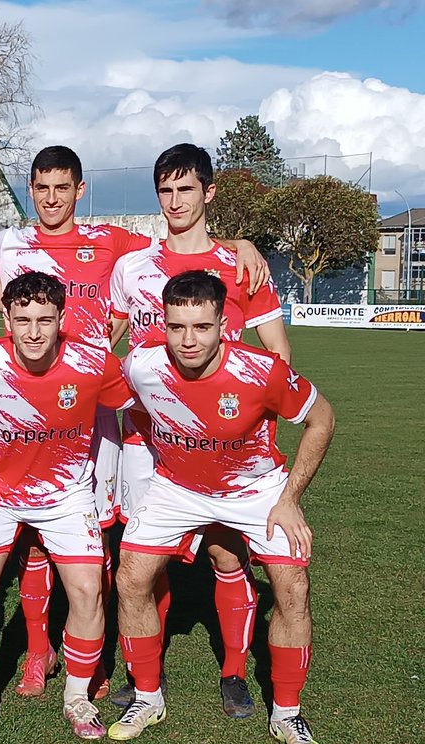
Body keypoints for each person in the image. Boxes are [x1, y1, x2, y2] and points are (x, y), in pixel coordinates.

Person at [0, 144, 272, 698]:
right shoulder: (7, 243)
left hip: (107, 407)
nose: (52, 198)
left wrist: (239, 242)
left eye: (63, 187)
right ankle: (40, 651)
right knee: (38, 538)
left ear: (79, 191)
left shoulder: (114, 243)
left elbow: (181, 243)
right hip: (38, 407)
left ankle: (102, 652)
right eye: (41, 187)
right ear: (30, 190)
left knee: (114, 536)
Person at [111, 271, 334, 744]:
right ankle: (147, 698)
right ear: (162, 324)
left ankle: (288, 712)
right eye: (176, 327)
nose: (188, 340)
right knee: (131, 577)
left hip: (257, 490)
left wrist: (290, 498)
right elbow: (119, 403)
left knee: (292, 585)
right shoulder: (142, 365)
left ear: (223, 326)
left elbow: (323, 419)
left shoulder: (262, 371)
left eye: (201, 327)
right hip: (177, 488)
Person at [107, 143, 292, 715]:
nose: (175, 201)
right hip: (144, 435)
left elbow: (278, 357)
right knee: (143, 559)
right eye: (165, 190)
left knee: (226, 556)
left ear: (209, 193)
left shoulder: (242, 266)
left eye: (186, 189)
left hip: (223, 443)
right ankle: (145, 681)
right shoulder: (132, 268)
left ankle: (234, 673)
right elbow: (104, 345)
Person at [0, 272, 133, 739]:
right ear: (6, 318)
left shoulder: (93, 363)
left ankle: (76, 697)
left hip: (66, 495)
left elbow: (133, 397)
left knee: (89, 591)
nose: (33, 331)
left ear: (61, 319)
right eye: (23, 319)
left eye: (45, 320)